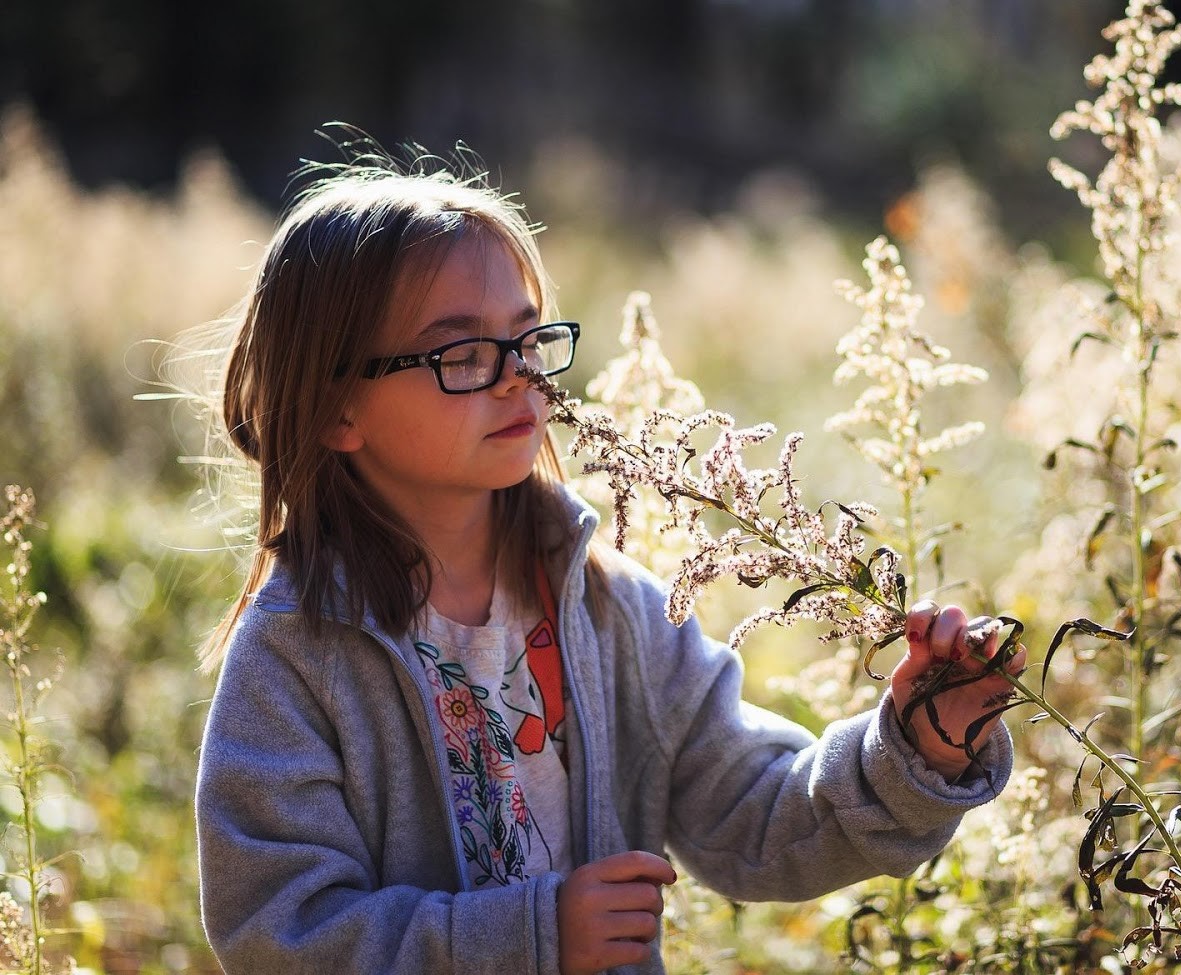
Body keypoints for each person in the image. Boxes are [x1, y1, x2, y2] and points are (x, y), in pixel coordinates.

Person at [194, 146, 1022, 975]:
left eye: (528, 338)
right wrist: (533, 936)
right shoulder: (293, 655)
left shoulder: (608, 607)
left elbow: (759, 814)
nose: (519, 378)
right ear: (336, 407)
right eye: (462, 355)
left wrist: (916, 746)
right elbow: (279, 936)